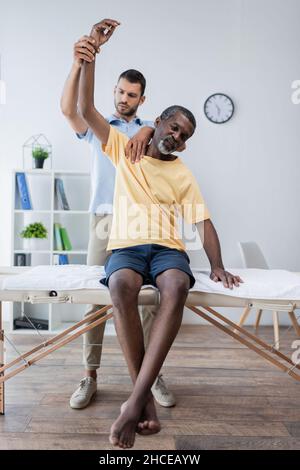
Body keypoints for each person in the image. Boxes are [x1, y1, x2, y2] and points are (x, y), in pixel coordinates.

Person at [79, 18, 243, 449]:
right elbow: (85, 111)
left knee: (175, 284)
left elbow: (203, 223)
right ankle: (143, 400)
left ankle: (134, 404)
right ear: (157, 121)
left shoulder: (183, 174)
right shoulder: (123, 146)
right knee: (120, 286)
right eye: (172, 126)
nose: (176, 135)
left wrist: (220, 265)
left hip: (167, 249)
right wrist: (91, 55)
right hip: (126, 248)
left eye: (184, 135)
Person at [60, 31, 177, 410]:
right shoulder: (101, 131)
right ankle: (89, 375)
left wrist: (145, 127)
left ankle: (149, 376)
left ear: (142, 100)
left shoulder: (149, 131)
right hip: (104, 222)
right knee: (96, 301)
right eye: (120, 92)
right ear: (114, 91)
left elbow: (172, 133)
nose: (123, 99)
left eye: (131, 95)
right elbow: (70, 109)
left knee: (147, 301)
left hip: (142, 225)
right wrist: (82, 58)